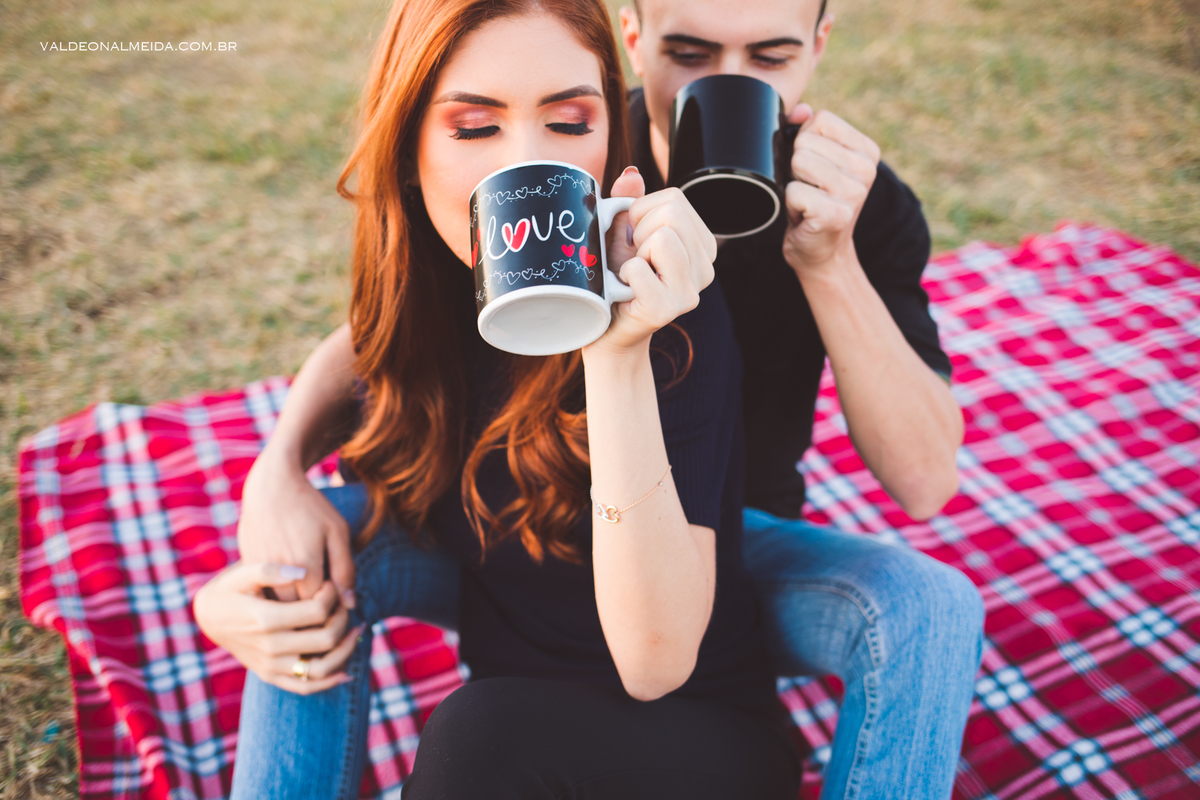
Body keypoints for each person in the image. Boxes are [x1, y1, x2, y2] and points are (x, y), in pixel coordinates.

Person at [211, 1, 987, 799]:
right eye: (688, 51)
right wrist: (276, 472)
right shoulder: (561, 141)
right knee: (308, 556)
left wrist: (826, 259)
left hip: (726, 535)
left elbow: (926, 480)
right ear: (634, 38)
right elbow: (381, 339)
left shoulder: (819, 213)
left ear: (817, 49)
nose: (722, 85)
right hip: (535, 520)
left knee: (927, 604)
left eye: (768, 57)